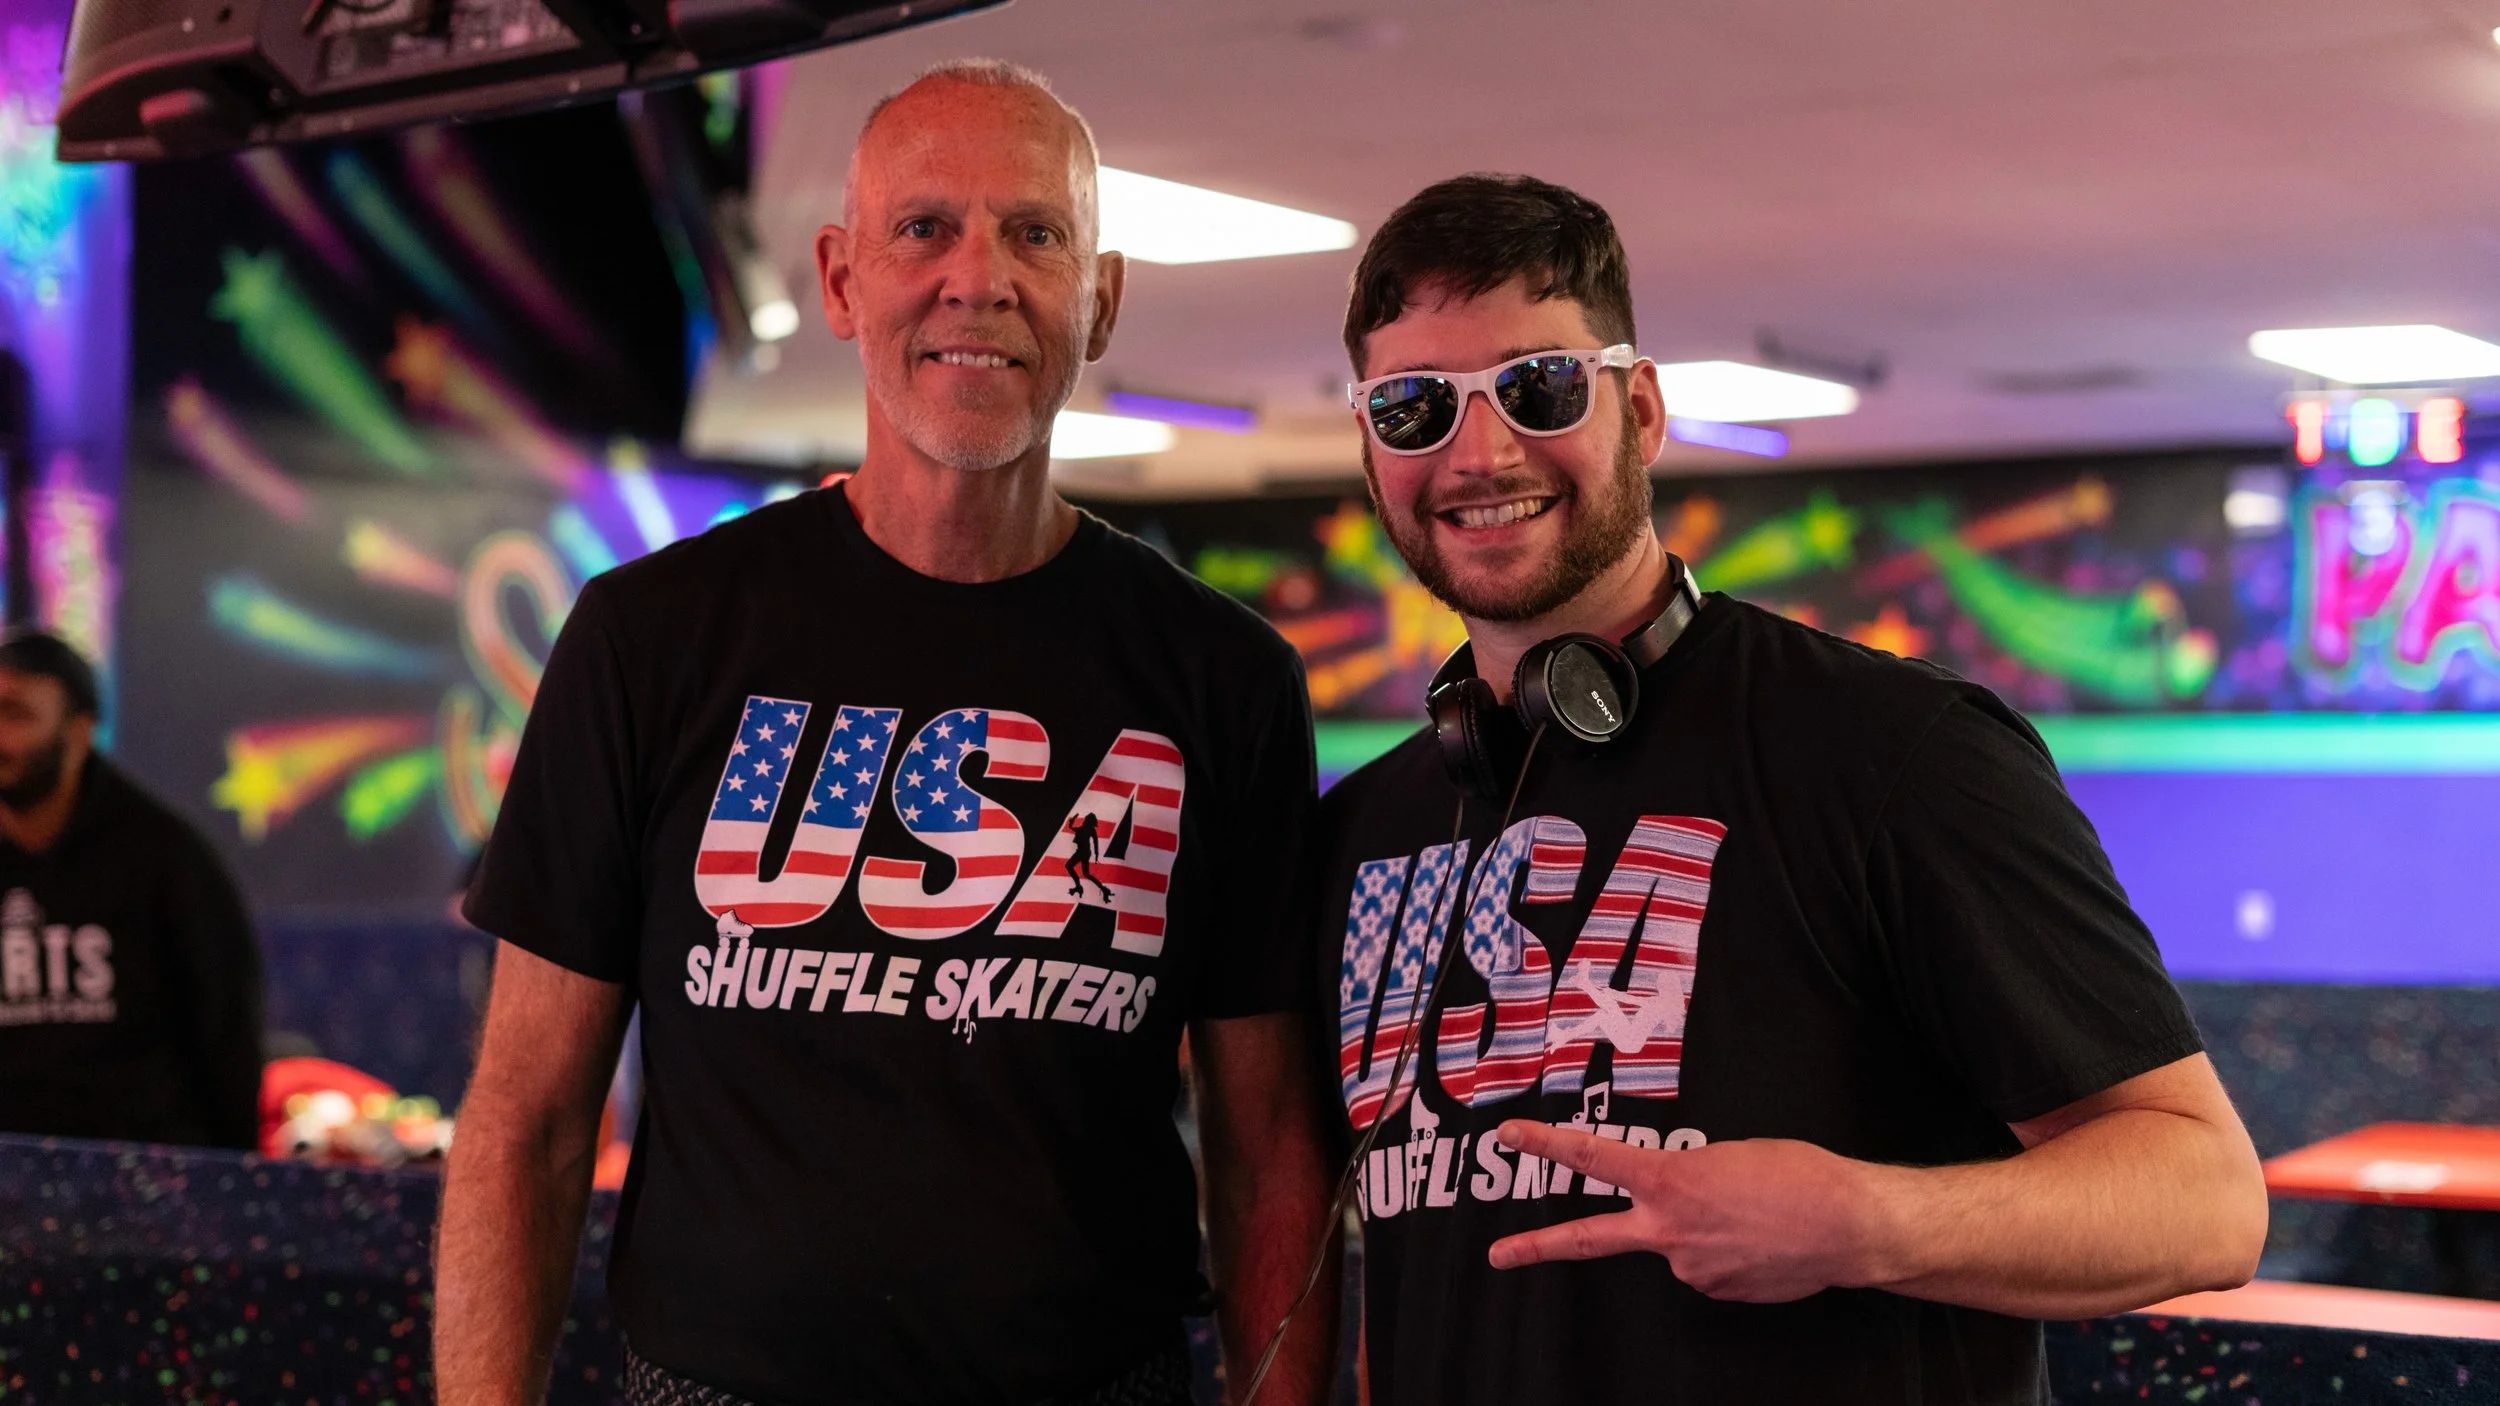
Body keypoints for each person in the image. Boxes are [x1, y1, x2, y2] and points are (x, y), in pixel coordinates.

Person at [436, 60, 1338, 1406]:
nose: (980, 278)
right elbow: (525, 1116)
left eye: (1035, 232)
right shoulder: (651, 638)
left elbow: (1268, 1144)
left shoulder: (1226, 678)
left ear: (1099, 298)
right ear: (844, 279)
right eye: (925, 228)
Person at [1310, 174, 2267, 1404]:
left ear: (1640, 409)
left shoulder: (1895, 750)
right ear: (1371, 447)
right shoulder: (1369, 831)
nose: (1478, 452)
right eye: (1415, 407)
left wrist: (1866, 1219)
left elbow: (2204, 1198)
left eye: (1537, 387)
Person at [0, 629, 262, 1149]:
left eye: (17, 715)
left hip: (143, 1181)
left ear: (79, 734)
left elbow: (226, 1036)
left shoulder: (165, 858)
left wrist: (230, 1183)